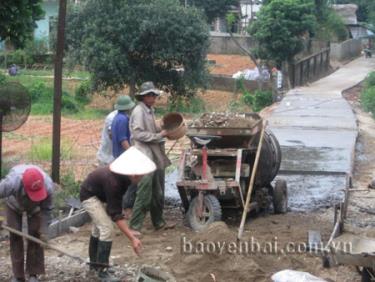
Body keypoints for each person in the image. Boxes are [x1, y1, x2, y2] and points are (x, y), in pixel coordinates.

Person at [80, 147, 156, 282]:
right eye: (142, 174)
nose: (143, 177)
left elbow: (116, 203)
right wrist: (132, 238)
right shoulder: (113, 181)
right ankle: (102, 271)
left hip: (99, 194)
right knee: (107, 229)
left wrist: (121, 214)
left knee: (99, 228)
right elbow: (114, 213)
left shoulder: (124, 177)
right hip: (89, 195)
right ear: (134, 174)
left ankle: (95, 265)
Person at [128, 81, 173, 232]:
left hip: (152, 155)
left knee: (157, 192)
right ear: (143, 97)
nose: (153, 98)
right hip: (143, 155)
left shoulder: (149, 110)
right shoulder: (139, 111)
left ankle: (158, 222)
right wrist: (159, 135)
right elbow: (138, 134)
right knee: (145, 191)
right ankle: (134, 226)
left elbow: (151, 129)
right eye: (149, 95)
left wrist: (161, 128)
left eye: (154, 95)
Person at [0, 165, 54, 282]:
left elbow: (47, 210)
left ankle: (33, 274)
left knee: (35, 236)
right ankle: (18, 276)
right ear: (24, 185)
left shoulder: (48, 186)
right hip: (14, 204)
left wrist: (44, 231)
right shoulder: (11, 182)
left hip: (35, 209)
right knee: (15, 236)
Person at [111, 95, 136, 219]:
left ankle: (120, 209)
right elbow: (123, 140)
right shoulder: (123, 120)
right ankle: (126, 210)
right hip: (124, 156)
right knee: (131, 183)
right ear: (128, 108)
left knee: (121, 184)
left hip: (118, 155)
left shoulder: (116, 118)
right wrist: (133, 153)